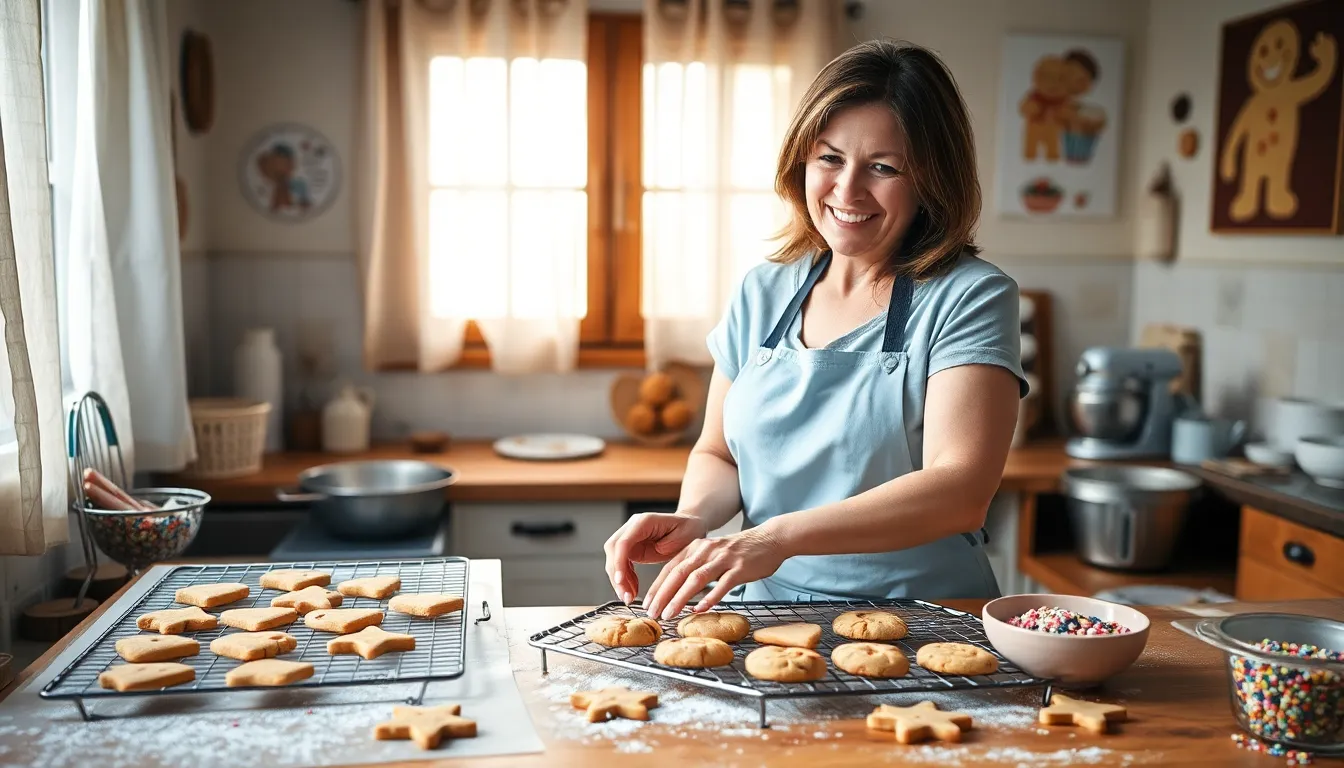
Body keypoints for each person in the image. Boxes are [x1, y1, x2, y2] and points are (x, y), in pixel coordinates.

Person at [604, 39, 1028, 621]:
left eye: (884, 168)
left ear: (932, 179)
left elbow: (960, 490)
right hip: (768, 618)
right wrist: (696, 516)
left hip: (926, 619)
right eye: (829, 158)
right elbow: (719, 453)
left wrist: (773, 539)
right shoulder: (763, 290)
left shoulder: (970, 296)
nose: (847, 191)